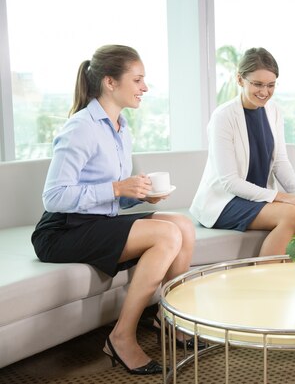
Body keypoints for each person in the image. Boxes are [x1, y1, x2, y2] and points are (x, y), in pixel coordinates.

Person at [31, 45, 197, 375]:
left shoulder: (121, 129)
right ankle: (121, 336)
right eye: (137, 80)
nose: (145, 88)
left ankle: (168, 318)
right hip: (62, 230)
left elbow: (110, 197)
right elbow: (54, 197)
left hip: (96, 221)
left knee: (183, 225)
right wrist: (117, 188)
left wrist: (135, 196)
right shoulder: (81, 128)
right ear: (110, 82)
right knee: (166, 235)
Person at [190, 47, 295, 256]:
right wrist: (282, 197)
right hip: (226, 201)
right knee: (292, 215)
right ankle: (264, 281)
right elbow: (230, 182)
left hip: (257, 198)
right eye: (257, 84)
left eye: (270, 85)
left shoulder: (274, 110)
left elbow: (280, 161)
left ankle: (292, 276)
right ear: (240, 80)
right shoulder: (223, 117)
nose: (264, 92)